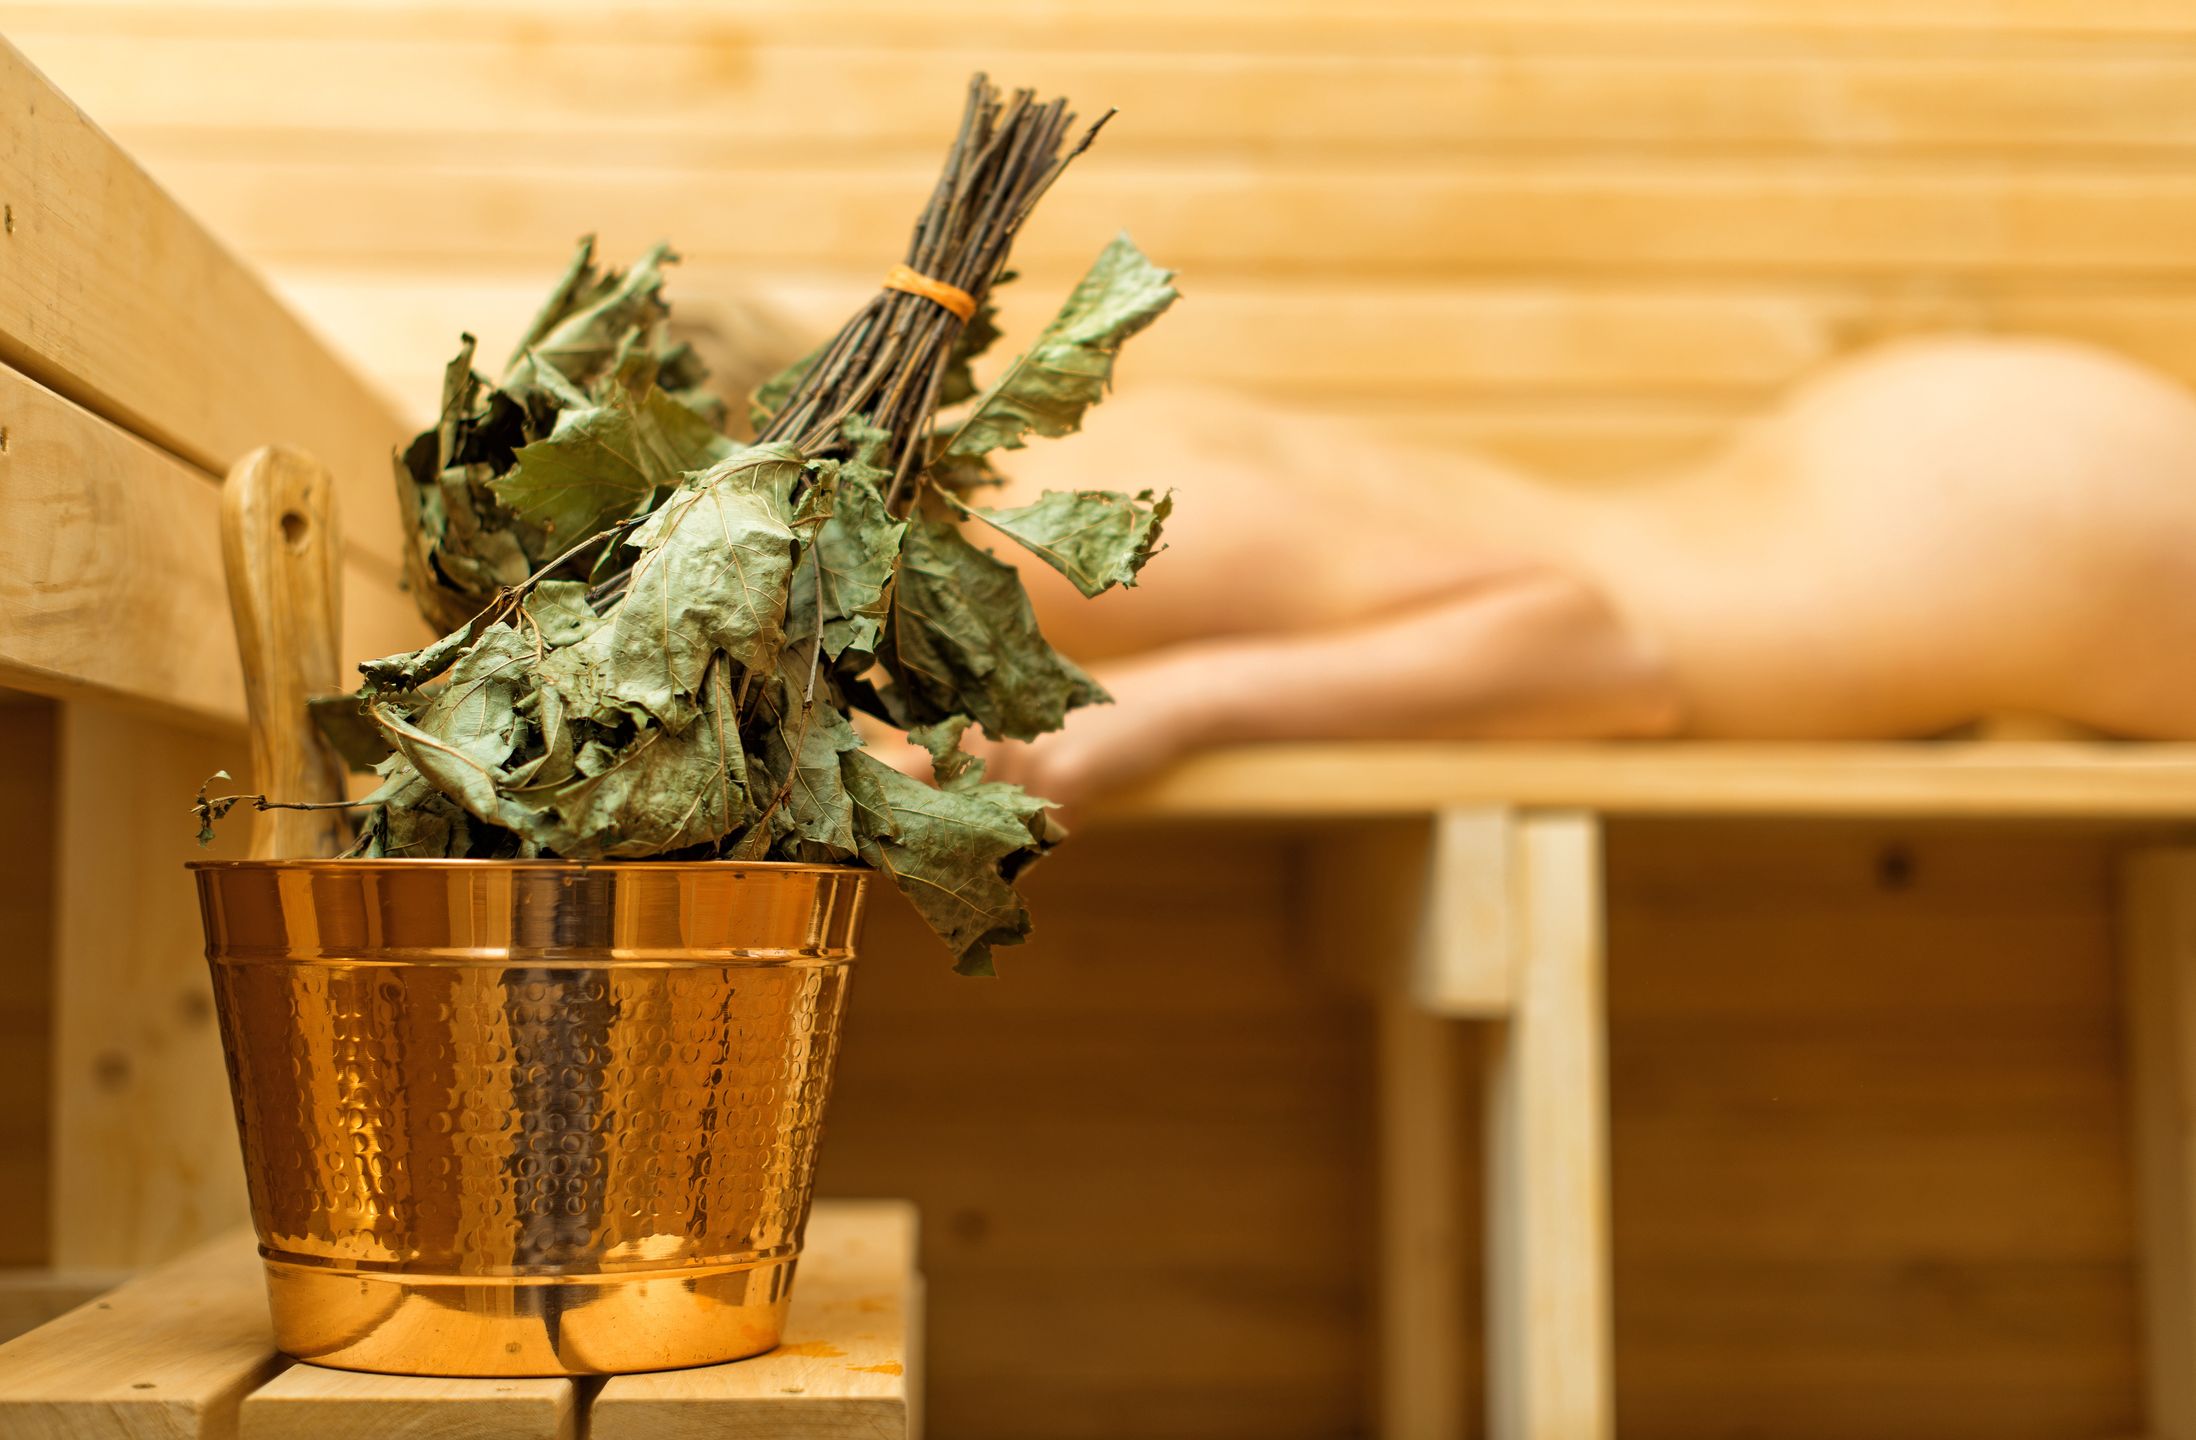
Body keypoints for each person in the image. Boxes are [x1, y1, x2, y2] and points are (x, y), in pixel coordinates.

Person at [892, 336, 2196, 807]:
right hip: (1947, 510)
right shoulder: (1023, 495)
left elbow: (1594, 654)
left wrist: (1172, 709)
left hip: (1980, 543)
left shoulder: (1014, 536)